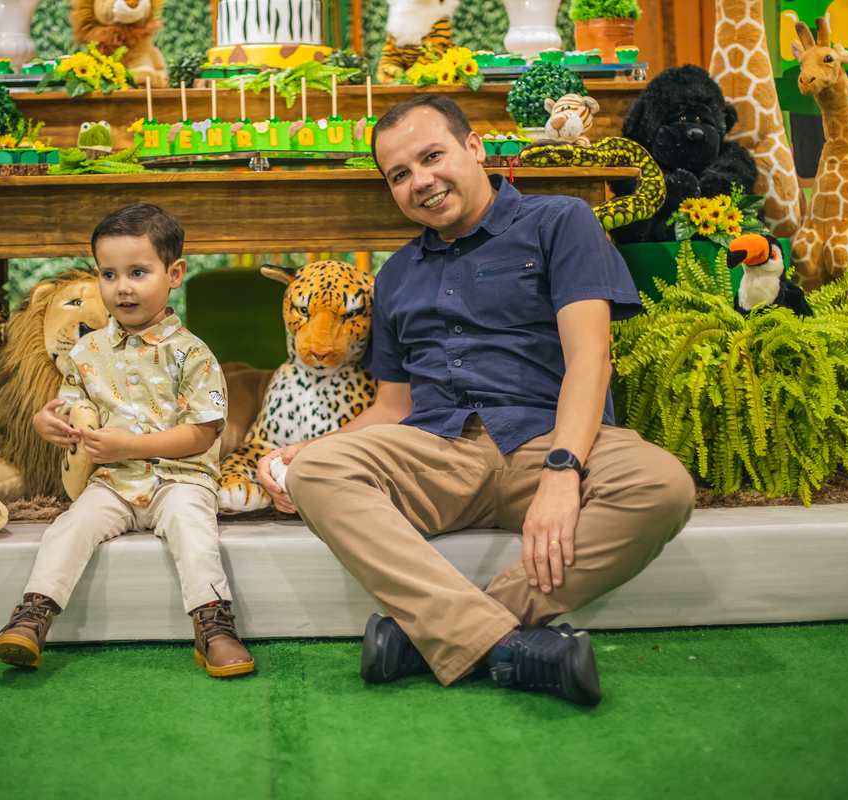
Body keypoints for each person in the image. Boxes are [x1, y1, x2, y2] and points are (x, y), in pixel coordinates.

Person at [257, 95, 695, 706]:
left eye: (431, 157)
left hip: (552, 437)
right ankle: (507, 646)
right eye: (399, 175)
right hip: (438, 452)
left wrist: (563, 471)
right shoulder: (395, 275)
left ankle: (436, 635)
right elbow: (392, 408)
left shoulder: (560, 221)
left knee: (662, 486)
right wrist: (304, 450)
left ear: (475, 147)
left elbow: (590, 359)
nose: (420, 181)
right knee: (318, 472)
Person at [0, 204, 253, 678]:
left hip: (181, 480)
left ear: (174, 274)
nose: (122, 287)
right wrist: (49, 422)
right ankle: (32, 616)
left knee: (194, 530)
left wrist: (130, 446)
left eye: (138, 272)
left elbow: (202, 433)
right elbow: (73, 406)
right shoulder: (87, 351)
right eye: (109, 274)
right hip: (112, 483)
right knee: (69, 527)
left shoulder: (193, 354)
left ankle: (214, 626)